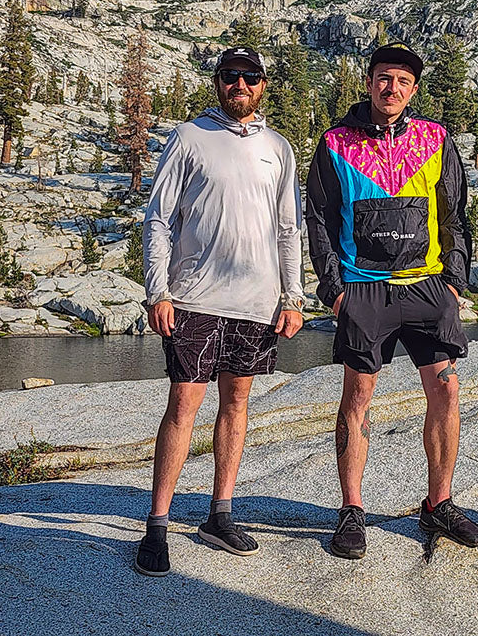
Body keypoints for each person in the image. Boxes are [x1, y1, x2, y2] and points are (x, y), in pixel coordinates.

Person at [306, 43, 478, 559]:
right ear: (368, 83)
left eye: (403, 82)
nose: (393, 89)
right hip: (363, 290)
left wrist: (453, 283)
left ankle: (440, 502)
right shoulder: (335, 142)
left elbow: (454, 213)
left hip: (428, 286)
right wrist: (334, 292)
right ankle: (351, 509)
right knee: (358, 399)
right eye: (385, 79)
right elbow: (318, 219)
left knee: (446, 394)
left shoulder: (436, 139)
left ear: (413, 89)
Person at [134, 46, 305, 576]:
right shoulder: (189, 137)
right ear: (218, 83)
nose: (241, 85)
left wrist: (293, 296)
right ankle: (157, 523)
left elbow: (287, 227)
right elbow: (159, 218)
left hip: (255, 304)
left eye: (250, 77)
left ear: (263, 85)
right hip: (194, 298)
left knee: (237, 405)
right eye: (231, 76)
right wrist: (157, 291)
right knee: (183, 406)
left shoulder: (279, 147)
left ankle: (220, 514)